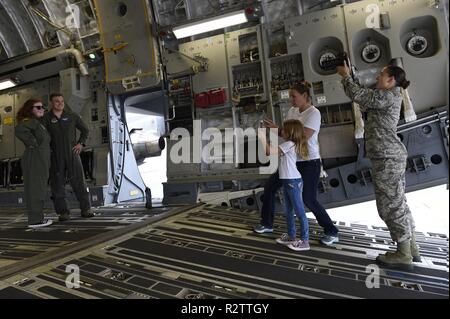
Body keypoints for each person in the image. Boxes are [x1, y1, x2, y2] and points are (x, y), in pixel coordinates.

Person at [337, 62, 420, 270]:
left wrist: (346, 77)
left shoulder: (389, 95)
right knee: (398, 202)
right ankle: (410, 247)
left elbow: (360, 96)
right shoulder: (386, 96)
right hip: (389, 157)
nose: (377, 78)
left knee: (390, 205)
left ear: (391, 80)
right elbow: (363, 97)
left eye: (382, 75)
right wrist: (352, 77)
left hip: (387, 158)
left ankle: (403, 253)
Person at [254, 81, 339, 245]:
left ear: (305, 96)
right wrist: (277, 129)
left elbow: (301, 137)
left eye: (294, 96)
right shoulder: (292, 111)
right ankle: (267, 224)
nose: (291, 100)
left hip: (309, 163)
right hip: (292, 161)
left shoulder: (314, 113)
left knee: (308, 199)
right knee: (270, 187)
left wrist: (277, 132)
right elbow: (288, 134)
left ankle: (332, 231)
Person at [258, 120, 310, 251]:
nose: (282, 132)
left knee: (299, 212)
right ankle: (292, 236)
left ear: (290, 133)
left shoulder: (289, 144)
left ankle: (305, 241)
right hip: (288, 181)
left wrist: (262, 136)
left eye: (284, 130)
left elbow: (268, 151)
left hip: (293, 182)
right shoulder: (289, 144)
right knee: (289, 211)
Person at [41, 93, 94, 221]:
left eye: (62, 101)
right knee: (57, 185)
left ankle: (86, 209)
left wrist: (81, 143)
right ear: (51, 103)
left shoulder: (72, 116)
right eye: (57, 101)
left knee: (79, 182)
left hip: (72, 154)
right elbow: (41, 136)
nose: (60, 103)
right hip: (55, 156)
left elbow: (86, 130)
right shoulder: (46, 119)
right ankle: (63, 212)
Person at [15, 99, 53, 228]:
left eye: (43, 107)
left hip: (41, 159)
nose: (42, 109)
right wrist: (33, 143)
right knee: (35, 189)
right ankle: (35, 220)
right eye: (38, 107)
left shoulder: (37, 123)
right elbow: (19, 129)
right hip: (35, 158)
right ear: (30, 109)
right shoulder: (29, 122)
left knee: (39, 188)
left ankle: (38, 217)